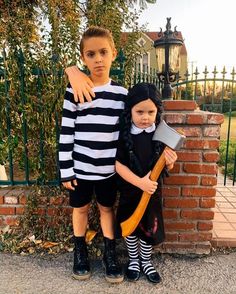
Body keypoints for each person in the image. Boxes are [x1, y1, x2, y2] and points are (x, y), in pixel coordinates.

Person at [59, 26, 128, 283]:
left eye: (103, 52)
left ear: (113, 54)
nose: (98, 59)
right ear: (83, 58)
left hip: (108, 170)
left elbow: (131, 131)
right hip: (80, 169)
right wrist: (66, 168)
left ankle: (110, 255)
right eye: (91, 54)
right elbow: (67, 132)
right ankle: (80, 253)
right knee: (80, 210)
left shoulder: (122, 95)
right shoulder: (74, 92)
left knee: (107, 209)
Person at [115, 82, 177, 284]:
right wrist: (140, 183)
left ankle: (146, 261)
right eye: (139, 111)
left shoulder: (161, 134)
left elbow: (168, 168)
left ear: (157, 112)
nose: (145, 117)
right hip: (130, 190)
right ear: (130, 110)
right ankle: (133, 260)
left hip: (152, 193)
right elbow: (118, 165)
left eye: (151, 112)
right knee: (131, 227)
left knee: (149, 227)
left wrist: (171, 161)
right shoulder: (124, 136)